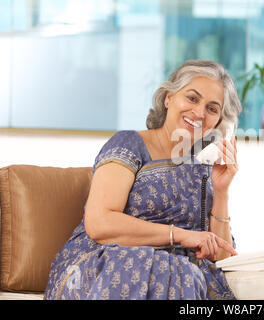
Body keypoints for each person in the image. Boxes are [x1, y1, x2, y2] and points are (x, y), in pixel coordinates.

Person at [44, 60, 242, 300]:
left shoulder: (203, 170)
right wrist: (180, 235)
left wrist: (221, 191)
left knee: (183, 274)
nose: (199, 113)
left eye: (212, 109)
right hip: (105, 262)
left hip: (180, 273)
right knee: (176, 273)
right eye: (192, 98)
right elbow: (99, 223)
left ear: (219, 122)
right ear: (168, 98)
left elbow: (222, 257)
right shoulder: (129, 144)